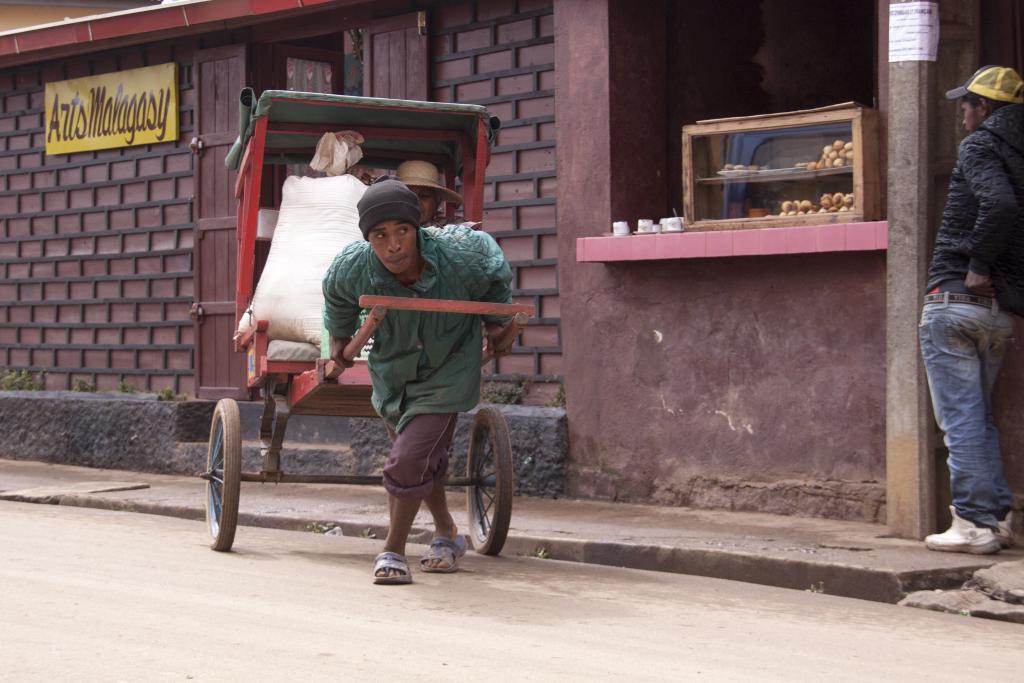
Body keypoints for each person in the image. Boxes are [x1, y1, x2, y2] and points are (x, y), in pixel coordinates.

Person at [322, 179, 513, 584]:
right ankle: (446, 534)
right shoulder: (352, 266)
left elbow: (494, 272)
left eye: (402, 231)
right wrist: (340, 338)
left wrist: (498, 323)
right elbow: (337, 299)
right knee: (422, 461)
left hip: (449, 370)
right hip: (393, 377)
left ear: (418, 228)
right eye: (380, 235)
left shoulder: (461, 255)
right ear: (368, 238)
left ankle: (392, 549)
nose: (393, 245)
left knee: (407, 461)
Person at [920, 65, 1024, 554]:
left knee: (960, 420)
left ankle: (974, 524)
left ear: (984, 109)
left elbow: (999, 207)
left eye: (967, 104)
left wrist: (978, 263)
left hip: (956, 299)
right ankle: (998, 518)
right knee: (978, 418)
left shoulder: (980, 145)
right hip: (997, 310)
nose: (962, 111)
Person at [396, 160, 465, 227]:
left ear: (437, 202)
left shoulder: (453, 229)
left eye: (423, 196)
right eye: (408, 196)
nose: (416, 202)